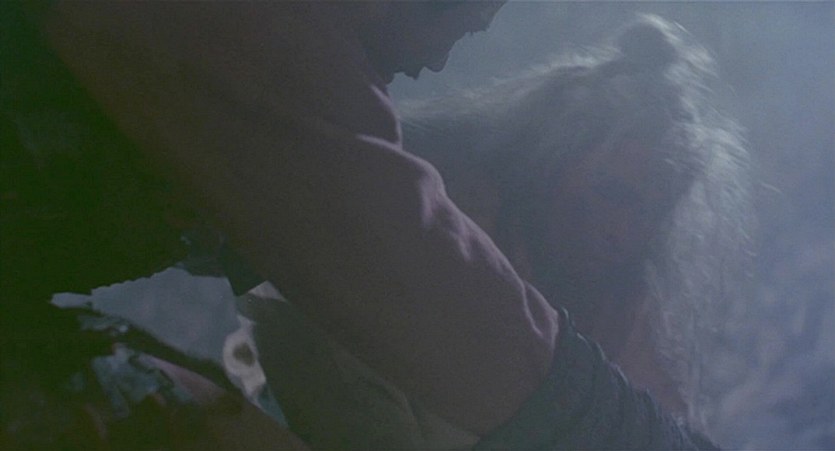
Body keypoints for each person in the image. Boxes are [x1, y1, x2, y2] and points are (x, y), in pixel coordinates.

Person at [2, 2, 717, 449]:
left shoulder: (620, 293)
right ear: (560, 155)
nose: (438, 56)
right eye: (445, 13)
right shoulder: (264, 40)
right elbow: (382, 268)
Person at [401, 13, 753, 427]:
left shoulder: (621, 296)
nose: (624, 233)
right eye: (611, 195)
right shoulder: (436, 204)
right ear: (552, 160)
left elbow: (663, 419)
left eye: (651, 215)